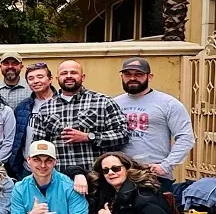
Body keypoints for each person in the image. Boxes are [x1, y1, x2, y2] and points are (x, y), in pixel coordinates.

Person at [29, 60, 129, 191]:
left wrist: (89, 137)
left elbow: (122, 134)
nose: (69, 76)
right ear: (57, 78)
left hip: (97, 179)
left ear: (83, 77)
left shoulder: (103, 102)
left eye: (73, 72)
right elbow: (38, 145)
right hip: (61, 181)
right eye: (64, 73)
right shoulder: (46, 108)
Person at [114, 57, 194, 191]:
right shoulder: (114, 103)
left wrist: (166, 166)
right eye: (128, 74)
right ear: (122, 77)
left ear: (149, 77)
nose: (132, 78)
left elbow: (186, 138)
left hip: (154, 175)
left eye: (138, 74)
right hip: (121, 173)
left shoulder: (168, 103)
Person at [12, 63, 56, 179]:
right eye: (31, 78)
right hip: (27, 169)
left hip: (55, 167)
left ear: (50, 79)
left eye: (40, 77)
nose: (35, 81)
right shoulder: (22, 107)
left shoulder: (62, 104)